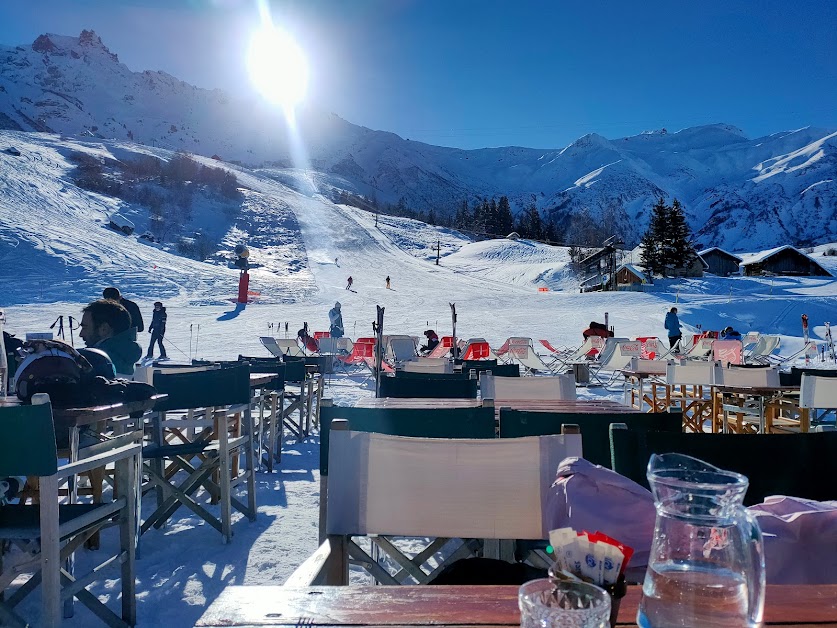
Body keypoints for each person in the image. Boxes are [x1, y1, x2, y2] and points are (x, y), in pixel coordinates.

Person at [79, 299, 142, 377]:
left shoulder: (95, 364)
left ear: (104, 329)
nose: (81, 334)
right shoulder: (125, 356)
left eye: (85, 328)